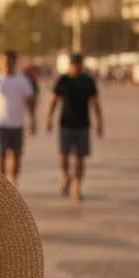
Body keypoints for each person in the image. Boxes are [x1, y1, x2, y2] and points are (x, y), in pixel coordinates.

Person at [46, 53, 103, 201]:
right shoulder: (63, 80)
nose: (77, 66)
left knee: (80, 158)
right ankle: (66, 177)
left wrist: (99, 122)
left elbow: (95, 102)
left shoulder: (88, 81)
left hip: (83, 125)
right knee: (63, 156)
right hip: (65, 124)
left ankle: (76, 185)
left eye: (79, 63)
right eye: (74, 63)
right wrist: (48, 118)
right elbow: (53, 100)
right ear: (70, 64)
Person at [0, 49, 36, 186]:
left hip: (17, 124)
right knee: (1, 156)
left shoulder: (22, 80)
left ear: (14, 62)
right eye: (3, 61)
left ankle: (13, 182)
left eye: (9, 61)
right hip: (0, 123)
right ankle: (1, 185)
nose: (5, 64)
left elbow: (30, 101)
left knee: (16, 156)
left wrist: (33, 119)